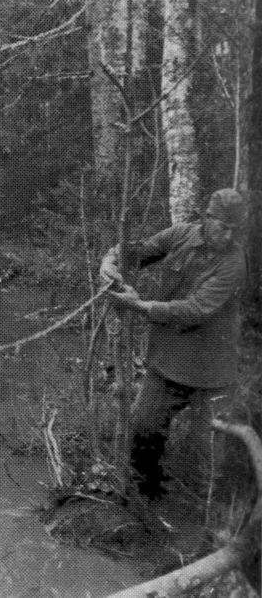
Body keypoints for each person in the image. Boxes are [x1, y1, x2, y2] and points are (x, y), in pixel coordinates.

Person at [99, 188, 248, 499]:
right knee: (143, 428)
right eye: (223, 227)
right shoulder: (180, 235)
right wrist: (110, 260)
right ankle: (146, 499)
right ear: (208, 219)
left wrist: (140, 306)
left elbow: (195, 311)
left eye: (235, 231)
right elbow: (138, 251)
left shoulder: (234, 263)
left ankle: (212, 523)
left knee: (208, 458)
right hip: (168, 363)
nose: (228, 236)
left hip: (212, 375)